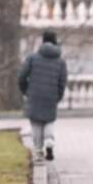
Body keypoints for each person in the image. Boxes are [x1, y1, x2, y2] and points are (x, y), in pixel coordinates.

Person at [19, 30, 68, 161]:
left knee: (36, 123)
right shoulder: (60, 62)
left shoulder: (32, 58)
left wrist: (26, 91)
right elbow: (62, 82)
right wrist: (58, 96)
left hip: (34, 94)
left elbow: (21, 76)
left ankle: (38, 151)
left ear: (43, 41)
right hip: (51, 95)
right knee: (49, 120)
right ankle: (49, 140)